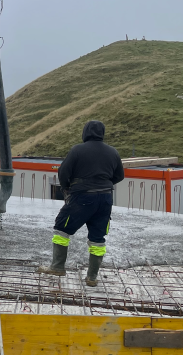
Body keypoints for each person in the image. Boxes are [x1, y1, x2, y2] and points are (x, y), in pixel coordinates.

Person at [39, 120, 125, 286]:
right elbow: (119, 176)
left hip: (82, 197)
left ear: (85, 132)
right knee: (98, 237)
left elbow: (63, 172)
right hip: (105, 199)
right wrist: (104, 183)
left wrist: (66, 188)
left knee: (62, 229)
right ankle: (92, 278)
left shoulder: (78, 150)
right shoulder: (113, 152)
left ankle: (57, 267)